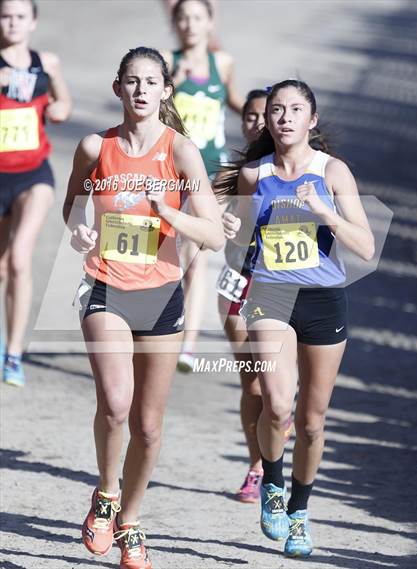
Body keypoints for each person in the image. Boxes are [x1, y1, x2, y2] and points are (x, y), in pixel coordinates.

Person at [63, 46, 223, 569]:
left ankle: (130, 519)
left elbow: (214, 234)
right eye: (131, 81)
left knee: (149, 426)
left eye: (150, 82)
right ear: (117, 88)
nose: (140, 91)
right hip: (105, 285)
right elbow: (72, 207)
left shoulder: (181, 153)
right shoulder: (94, 146)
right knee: (115, 403)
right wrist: (79, 231)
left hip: (161, 294)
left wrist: (165, 212)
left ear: (165, 91)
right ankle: (106, 494)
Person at [220, 79, 374, 557]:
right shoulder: (253, 175)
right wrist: (230, 231)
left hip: (325, 299)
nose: (284, 117)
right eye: (276, 111)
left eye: (295, 110)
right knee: (279, 403)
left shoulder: (334, 173)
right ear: (266, 121)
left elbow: (366, 247)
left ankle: (300, 512)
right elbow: (236, 254)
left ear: (312, 119)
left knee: (311, 421)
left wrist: (325, 212)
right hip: (271, 294)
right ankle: (271, 480)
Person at [217, 89, 293, 503]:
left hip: (288, 287)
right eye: (250, 115)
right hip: (239, 281)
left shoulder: (302, 167)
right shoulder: (234, 171)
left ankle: (284, 408)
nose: (258, 122)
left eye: (267, 115)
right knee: (253, 387)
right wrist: (222, 226)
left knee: (275, 387)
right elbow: (206, 223)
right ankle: (257, 466)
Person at [161, 0, 243, 372]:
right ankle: (162, 328)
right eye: (183, 17)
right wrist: (171, 82)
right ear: (174, 23)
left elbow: (234, 100)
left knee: (194, 259)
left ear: (211, 22)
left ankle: (187, 346)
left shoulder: (221, 62)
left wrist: (266, 113)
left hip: (212, 175)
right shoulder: (165, 61)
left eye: (198, 17)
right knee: (171, 257)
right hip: (172, 172)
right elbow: (150, 108)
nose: (190, 24)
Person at [0, 0, 71, 386]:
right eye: (5, 15)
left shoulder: (47, 63)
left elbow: (64, 104)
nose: (12, 22)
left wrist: (57, 109)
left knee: (19, 260)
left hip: (33, 175)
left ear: (33, 22)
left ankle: (13, 354)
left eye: (19, 16)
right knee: (0, 266)